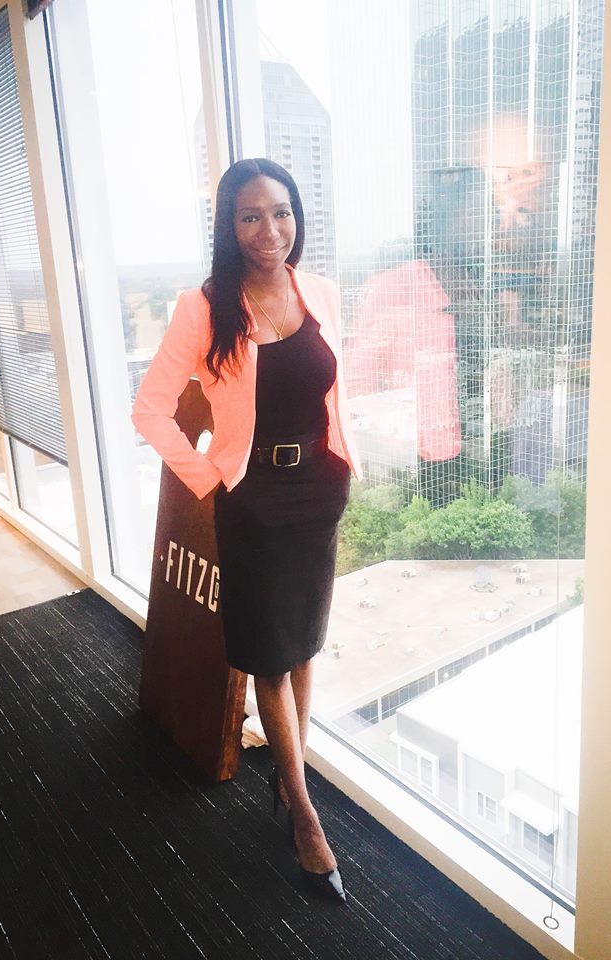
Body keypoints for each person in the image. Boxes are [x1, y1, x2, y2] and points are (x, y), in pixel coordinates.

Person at [131, 158, 361, 902]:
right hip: (253, 500)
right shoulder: (204, 307)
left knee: (304, 642)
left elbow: (330, 393)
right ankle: (305, 819)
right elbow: (149, 410)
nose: (270, 230)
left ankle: (290, 781)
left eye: (282, 212)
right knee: (269, 656)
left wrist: (341, 467)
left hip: (317, 492)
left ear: (298, 218)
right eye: (251, 215)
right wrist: (209, 479)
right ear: (229, 226)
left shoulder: (318, 290)